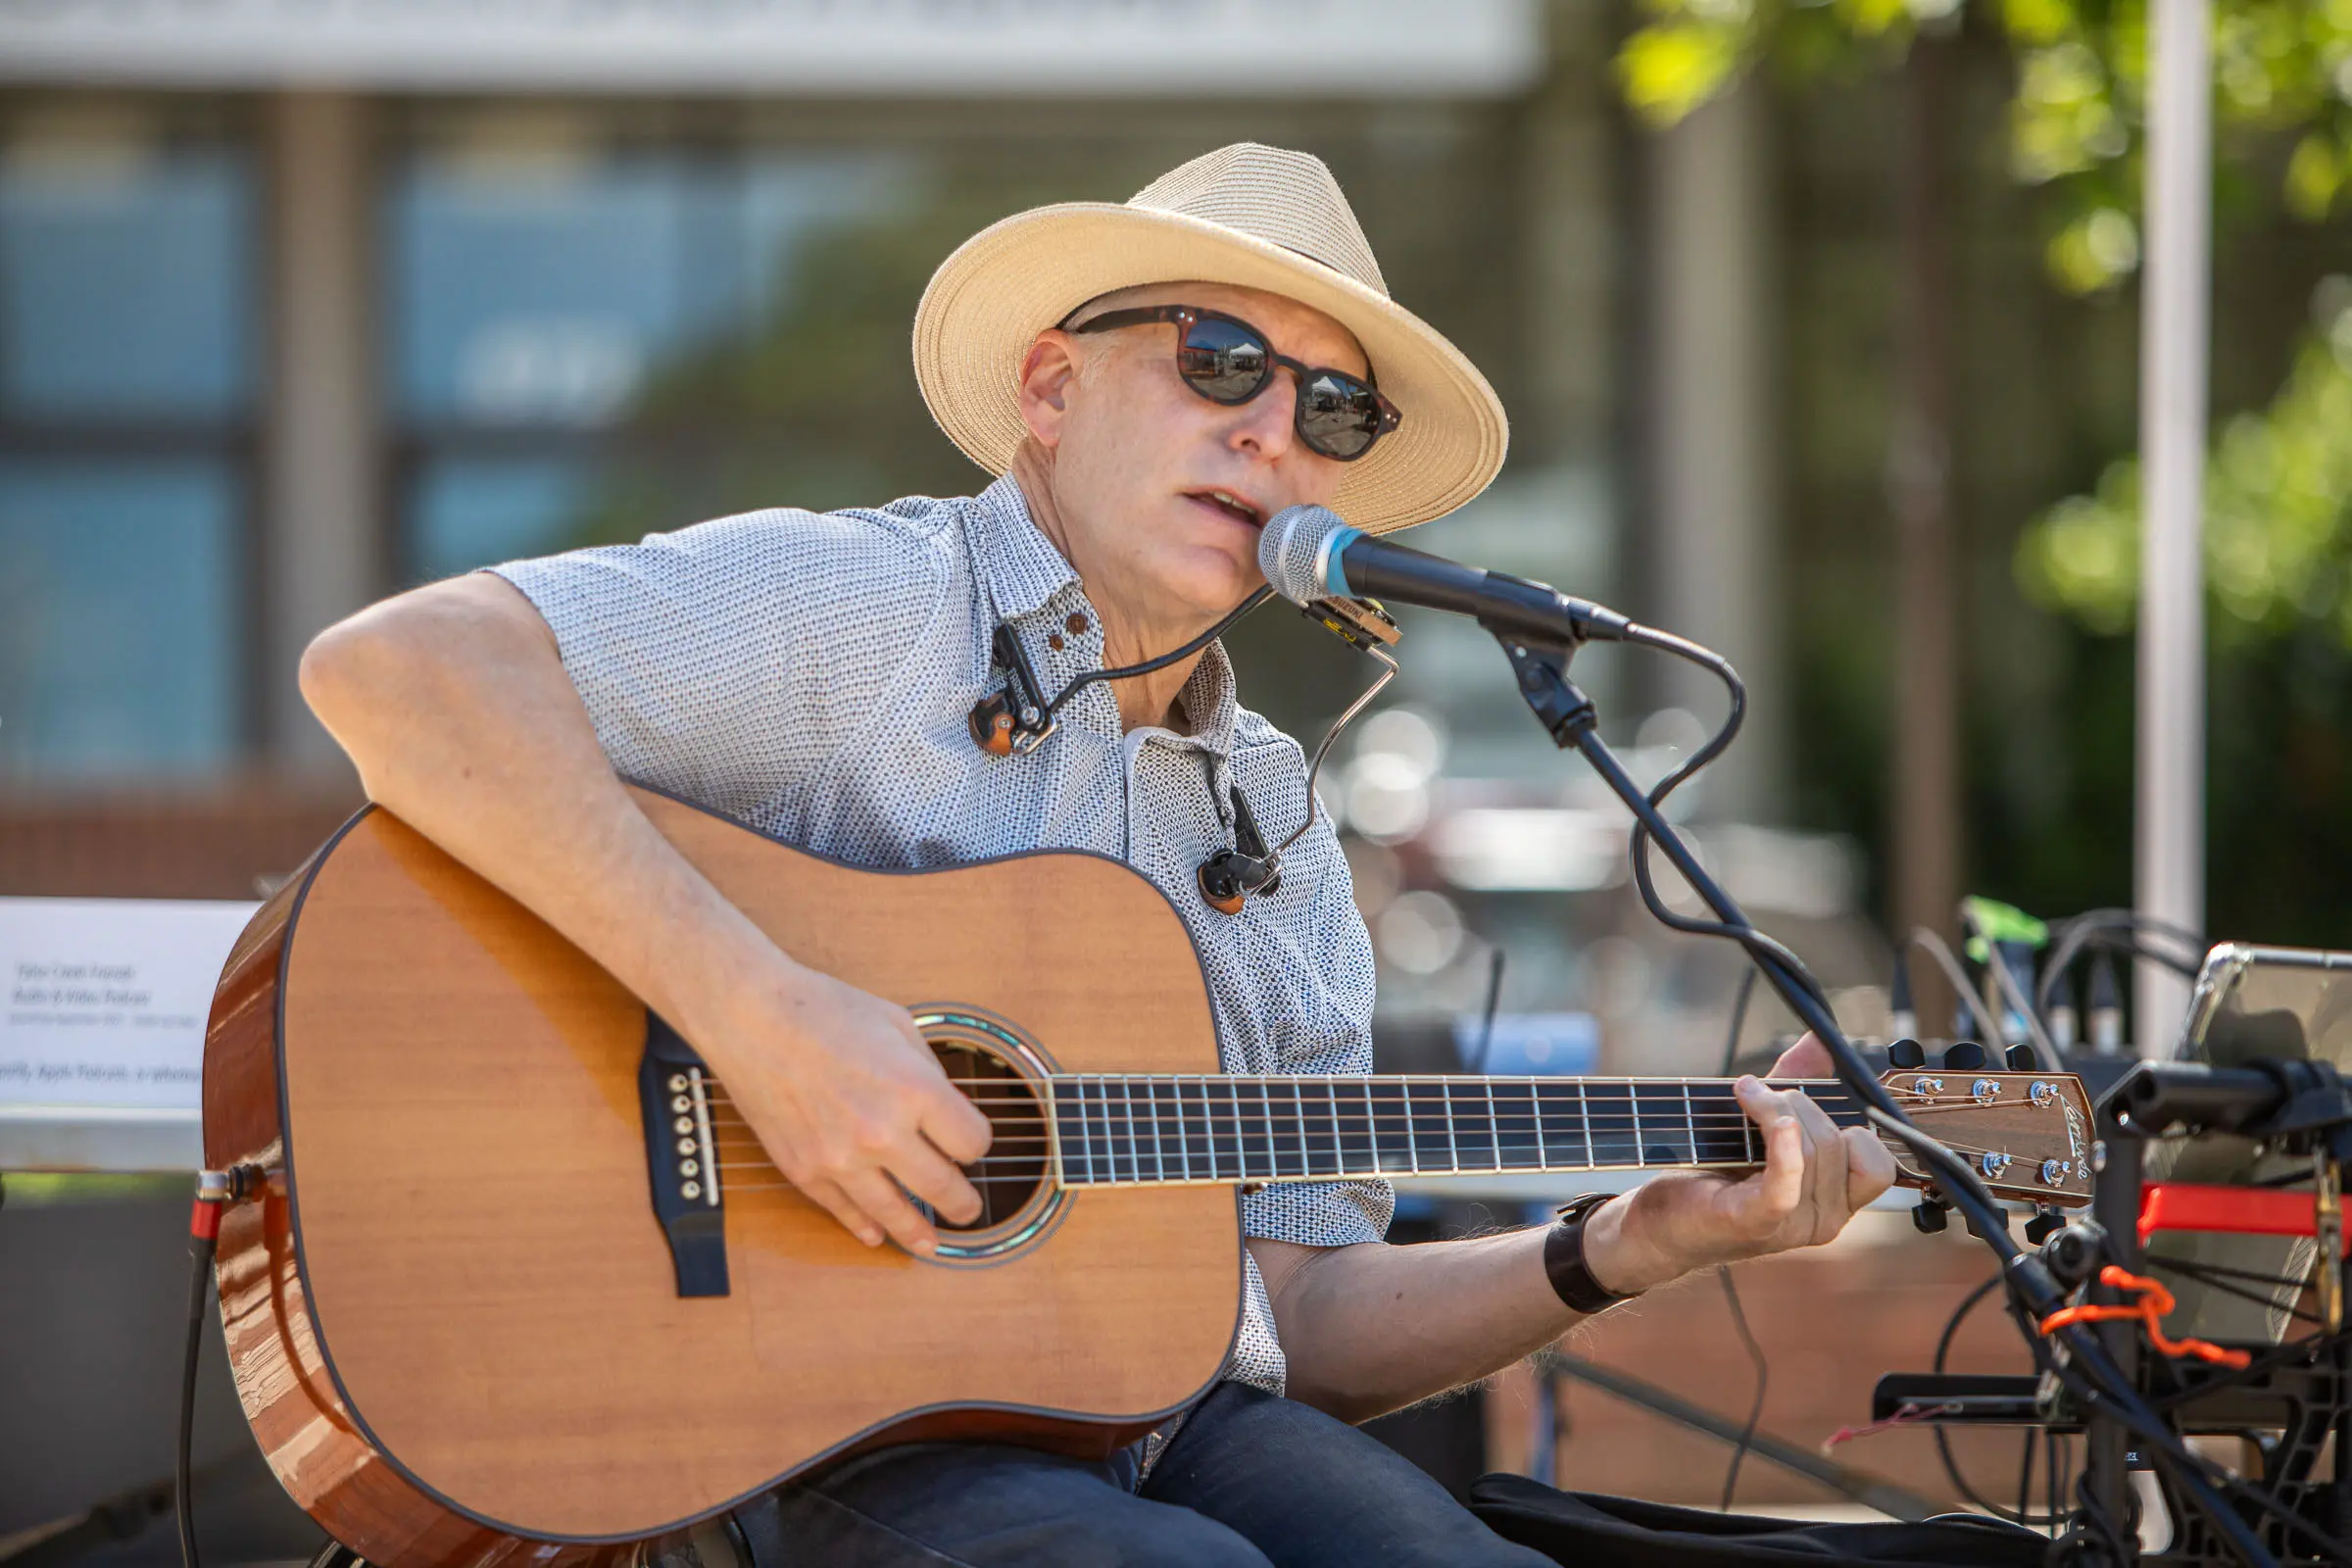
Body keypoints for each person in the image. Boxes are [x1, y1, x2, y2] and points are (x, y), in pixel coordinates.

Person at [300, 143, 1896, 1567]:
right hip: (789, 1428)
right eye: (1222, 363)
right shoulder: (872, 608)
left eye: (1332, 410)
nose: (1271, 432)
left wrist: (1620, 1244)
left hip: (1163, 1423)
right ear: (1052, 389)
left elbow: (1302, 1310)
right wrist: (767, 1024)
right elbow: (396, 672)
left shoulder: (1275, 818)